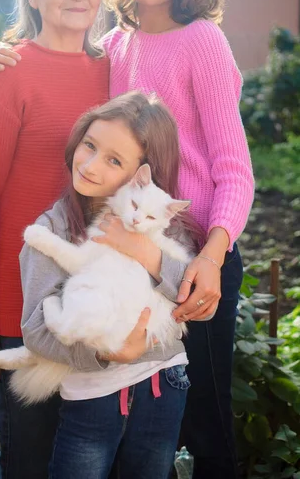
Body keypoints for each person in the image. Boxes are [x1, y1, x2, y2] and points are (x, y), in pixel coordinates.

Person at [0, 0, 255, 479]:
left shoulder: (202, 40)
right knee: (136, 417)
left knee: (204, 421)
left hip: (195, 259)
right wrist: (1, 54)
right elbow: (55, 62)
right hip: (125, 258)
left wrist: (212, 253)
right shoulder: (115, 48)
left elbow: (234, 166)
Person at [0, 0, 119, 479]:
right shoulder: (8, 75)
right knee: (28, 463)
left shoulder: (115, 71)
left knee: (87, 464)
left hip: (97, 306)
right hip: (21, 307)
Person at [19, 91, 199, 479]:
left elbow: (196, 299)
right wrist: (104, 355)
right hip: (91, 391)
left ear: (141, 175)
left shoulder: (167, 227)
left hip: (162, 379)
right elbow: (35, 330)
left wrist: (141, 249)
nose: (91, 165)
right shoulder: (52, 228)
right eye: (90, 145)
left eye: (114, 160)